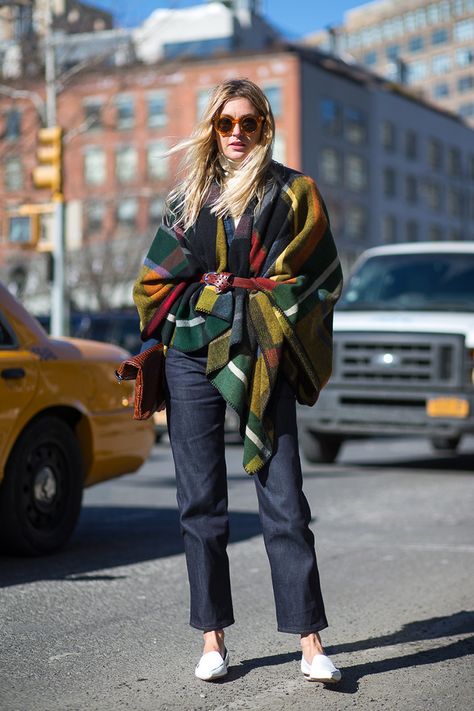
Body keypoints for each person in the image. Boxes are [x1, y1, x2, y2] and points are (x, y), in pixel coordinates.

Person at [133, 78, 343, 684]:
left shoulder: (294, 192)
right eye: (225, 123)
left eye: (248, 123)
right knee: (200, 502)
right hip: (192, 352)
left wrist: (258, 298)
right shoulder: (188, 200)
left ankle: (310, 643)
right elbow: (152, 285)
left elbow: (322, 278)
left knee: (284, 501)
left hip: (266, 352)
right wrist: (208, 295)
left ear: (265, 126)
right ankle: (212, 638)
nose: (236, 134)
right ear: (212, 128)